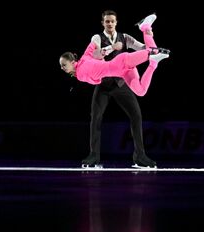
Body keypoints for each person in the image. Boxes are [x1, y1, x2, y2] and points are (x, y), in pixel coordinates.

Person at [59, 12, 168, 168]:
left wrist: (148, 36)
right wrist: (110, 48)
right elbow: (95, 54)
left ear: (116, 22)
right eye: (106, 21)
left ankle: (140, 157)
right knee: (97, 117)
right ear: (103, 23)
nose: (109, 24)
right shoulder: (96, 39)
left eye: (112, 21)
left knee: (137, 113)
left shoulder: (125, 37)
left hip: (121, 74)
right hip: (105, 84)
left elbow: (143, 48)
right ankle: (93, 156)